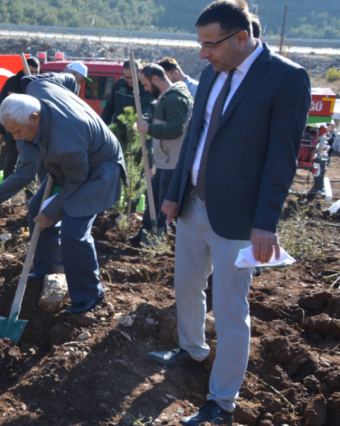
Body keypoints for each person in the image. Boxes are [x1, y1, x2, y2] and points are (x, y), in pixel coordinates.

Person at [146, 2, 311, 425]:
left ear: (241, 38)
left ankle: (221, 402)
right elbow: (196, 136)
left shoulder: (287, 78)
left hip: (239, 219)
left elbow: (282, 158)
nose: (202, 54)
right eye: (200, 44)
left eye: (209, 44)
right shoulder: (215, 73)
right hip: (192, 205)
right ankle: (192, 349)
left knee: (231, 309)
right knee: (186, 285)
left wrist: (265, 223)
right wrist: (174, 192)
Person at [0, 84, 126, 314]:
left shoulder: (64, 145)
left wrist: (53, 212)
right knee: (37, 208)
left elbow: (76, 182)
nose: (16, 138)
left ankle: (90, 295)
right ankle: (48, 267)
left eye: (17, 131)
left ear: (35, 118)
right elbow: (62, 79)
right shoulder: (39, 88)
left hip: (98, 169)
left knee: (73, 229)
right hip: (73, 164)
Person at [0, 72, 80, 220]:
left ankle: (46, 210)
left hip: (44, 139)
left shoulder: (61, 94)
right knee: (26, 173)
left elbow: (71, 81)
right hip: (27, 136)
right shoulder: (34, 88)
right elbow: (26, 81)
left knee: (50, 176)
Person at [131, 64, 193, 245]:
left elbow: (175, 129)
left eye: (146, 84)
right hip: (165, 159)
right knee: (153, 197)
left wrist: (149, 128)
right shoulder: (166, 98)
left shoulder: (175, 99)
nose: (146, 89)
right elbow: (165, 122)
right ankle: (145, 234)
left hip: (174, 160)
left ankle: (158, 240)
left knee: (164, 204)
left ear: (155, 79)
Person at [0, 57, 40, 179]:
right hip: (12, 131)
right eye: (31, 71)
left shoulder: (39, 84)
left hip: (30, 132)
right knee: (10, 163)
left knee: (30, 163)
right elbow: (0, 107)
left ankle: (30, 195)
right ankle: (5, 194)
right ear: (24, 69)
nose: (33, 74)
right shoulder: (12, 82)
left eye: (36, 72)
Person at [100, 60, 155, 127]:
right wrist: (101, 124)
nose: (130, 80)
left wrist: (140, 123)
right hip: (118, 131)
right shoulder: (119, 84)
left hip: (137, 131)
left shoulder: (146, 87)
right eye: (126, 77)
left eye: (132, 77)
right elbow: (109, 107)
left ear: (140, 71)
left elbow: (148, 108)